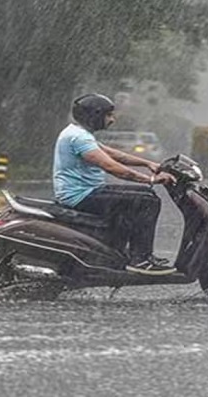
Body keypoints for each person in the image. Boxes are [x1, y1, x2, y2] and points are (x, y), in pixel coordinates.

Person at [53, 93, 177, 275]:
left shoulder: (78, 133)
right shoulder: (78, 138)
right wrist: (150, 179)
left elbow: (113, 154)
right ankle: (141, 259)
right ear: (94, 115)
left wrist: (148, 164)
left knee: (145, 195)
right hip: (80, 195)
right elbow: (111, 166)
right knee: (147, 202)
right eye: (108, 115)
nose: (112, 119)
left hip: (88, 191)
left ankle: (121, 252)